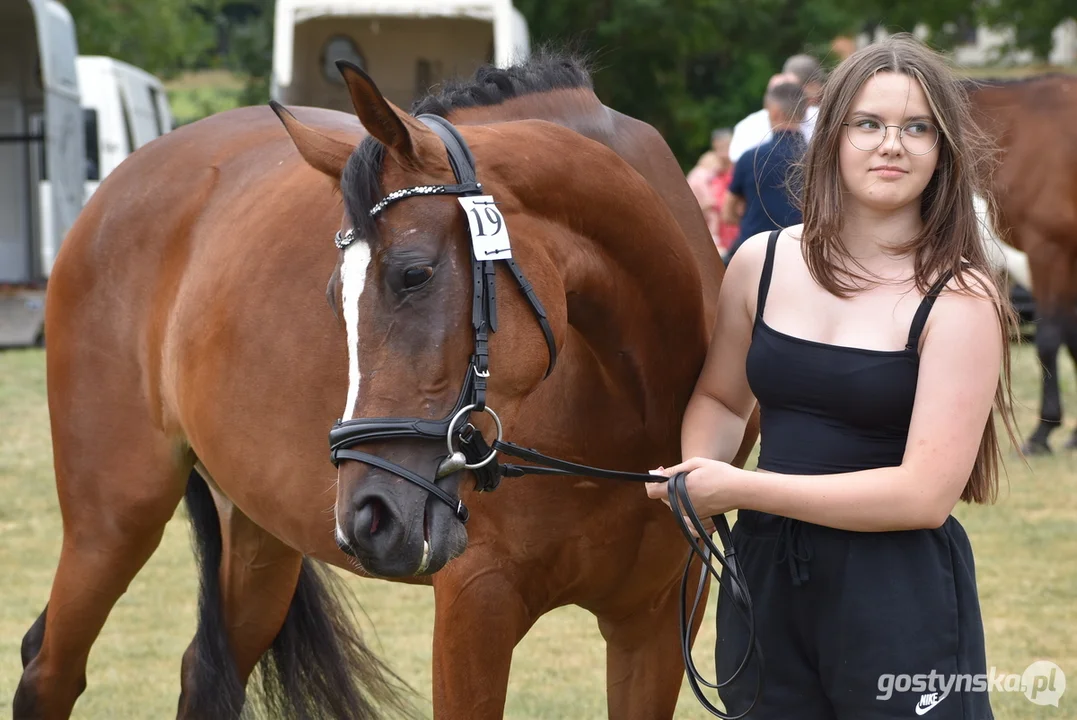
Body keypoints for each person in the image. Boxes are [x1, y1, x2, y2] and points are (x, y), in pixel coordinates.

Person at [646, 33, 1018, 720]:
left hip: (894, 593)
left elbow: (922, 495)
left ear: (941, 152)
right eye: (868, 124)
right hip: (762, 578)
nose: (891, 145)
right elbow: (722, 398)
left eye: (916, 128)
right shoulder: (759, 262)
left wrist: (741, 486)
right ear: (831, 138)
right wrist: (699, 470)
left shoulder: (961, 299)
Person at [722, 81, 806, 262]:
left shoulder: (750, 158)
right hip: (804, 258)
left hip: (755, 258)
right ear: (804, 112)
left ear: (774, 112)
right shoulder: (820, 160)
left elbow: (727, 213)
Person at [727, 71, 801, 163]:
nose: (785, 98)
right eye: (780, 93)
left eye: (791, 91)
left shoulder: (817, 117)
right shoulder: (747, 126)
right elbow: (738, 160)